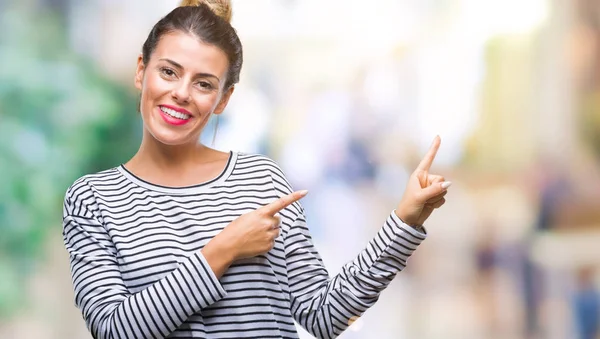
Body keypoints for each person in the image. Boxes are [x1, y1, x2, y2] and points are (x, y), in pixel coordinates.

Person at [61, 1, 451, 338]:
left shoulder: (261, 179)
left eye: (203, 83)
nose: (181, 92)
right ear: (141, 70)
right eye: (168, 72)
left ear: (222, 99)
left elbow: (325, 316)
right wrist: (223, 249)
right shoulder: (93, 199)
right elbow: (114, 329)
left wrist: (405, 221)